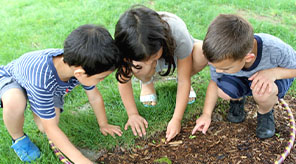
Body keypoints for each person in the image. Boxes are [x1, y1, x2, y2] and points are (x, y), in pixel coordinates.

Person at [0, 24, 123, 163]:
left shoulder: (81, 63)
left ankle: (36, 102)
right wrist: (81, 160)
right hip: (12, 78)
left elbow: (94, 97)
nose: (100, 81)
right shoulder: (43, 79)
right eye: (101, 78)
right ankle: (19, 139)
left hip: (48, 88)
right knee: (15, 102)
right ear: (80, 74)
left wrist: (103, 124)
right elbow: (51, 128)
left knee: (43, 127)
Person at [192, 14, 296, 139]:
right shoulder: (220, 56)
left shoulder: (275, 48)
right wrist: (206, 114)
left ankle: (265, 112)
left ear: (248, 58)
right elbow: (214, 83)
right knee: (222, 90)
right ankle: (237, 100)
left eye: (225, 68)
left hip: (274, 79)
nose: (218, 70)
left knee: (263, 92)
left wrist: (273, 73)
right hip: (242, 77)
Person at [115, 6, 208, 142]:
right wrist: (133, 114)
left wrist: (177, 119)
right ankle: (147, 83)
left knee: (202, 53)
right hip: (149, 57)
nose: (149, 65)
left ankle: (182, 80)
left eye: (152, 58)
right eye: (143, 62)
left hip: (176, 55)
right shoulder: (127, 42)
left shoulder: (177, 33)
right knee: (140, 67)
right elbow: (123, 80)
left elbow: (184, 80)